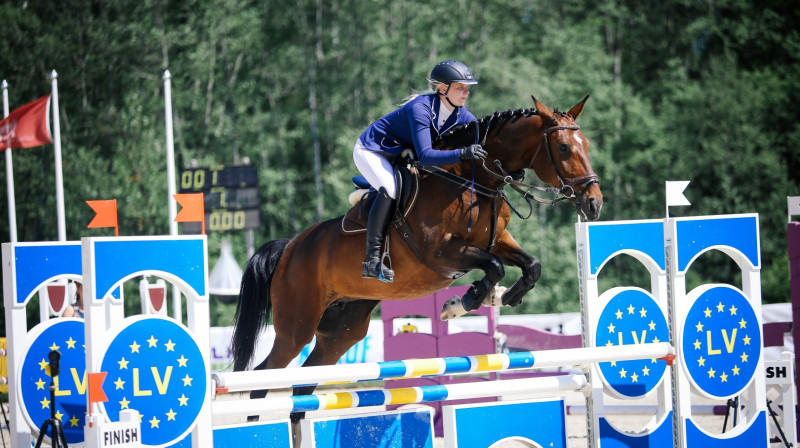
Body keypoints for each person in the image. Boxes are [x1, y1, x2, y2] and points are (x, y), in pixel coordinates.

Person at [353, 60, 488, 282]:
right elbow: (425, 156)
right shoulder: (421, 108)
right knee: (391, 190)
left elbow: (483, 144)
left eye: (467, 88)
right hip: (373, 151)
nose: (466, 92)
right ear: (443, 89)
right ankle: (372, 260)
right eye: (460, 87)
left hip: (399, 157)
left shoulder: (462, 115)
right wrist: (463, 153)